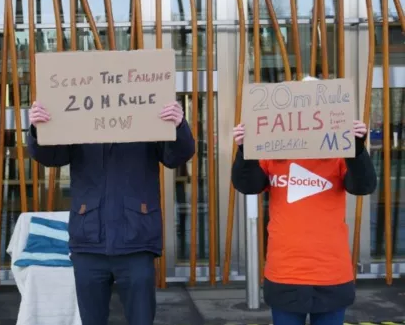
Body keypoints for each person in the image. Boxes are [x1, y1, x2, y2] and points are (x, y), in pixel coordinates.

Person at [27, 101, 195, 325]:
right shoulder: (78, 110)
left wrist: (178, 125)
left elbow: (176, 157)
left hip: (136, 239)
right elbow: (51, 156)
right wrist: (39, 129)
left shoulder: (147, 108)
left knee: (141, 320)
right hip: (89, 240)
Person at [230, 83, 377, 324]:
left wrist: (357, 149)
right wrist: (246, 149)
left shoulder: (339, 152)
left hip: (331, 273)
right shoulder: (272, 150)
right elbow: (248, 185)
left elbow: (363, 186)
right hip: (285, 272)